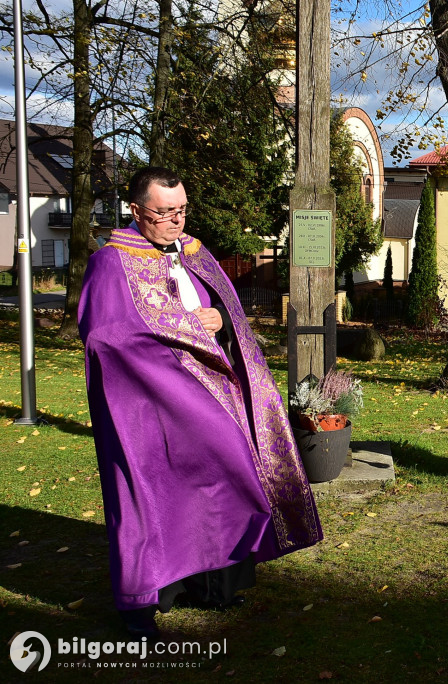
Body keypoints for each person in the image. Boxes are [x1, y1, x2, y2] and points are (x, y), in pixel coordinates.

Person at [79, 167, 323, 638]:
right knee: (148, 498)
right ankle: (144, 603)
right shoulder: (111, 262)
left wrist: (222, 322)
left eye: (182, 209)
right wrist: (188, 329)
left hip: (213, 395)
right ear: (136, 211)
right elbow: (104, 338)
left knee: (225, 479)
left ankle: (215, 587)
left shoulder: (194, 249)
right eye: (164, 212)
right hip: (150, 405)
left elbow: (226, 310)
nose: (175, 220)